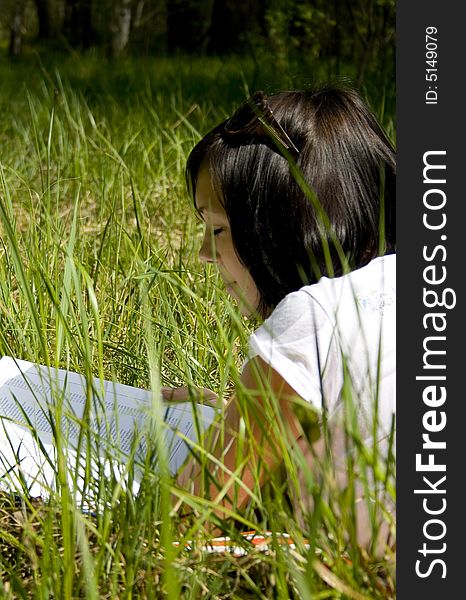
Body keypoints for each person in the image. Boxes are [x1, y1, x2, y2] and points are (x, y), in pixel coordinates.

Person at [163, 85, 396, 547]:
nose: (204, 254)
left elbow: (194, 510)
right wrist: (237, 409)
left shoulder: (313, 318)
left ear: (279, 231)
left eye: (217, 229)